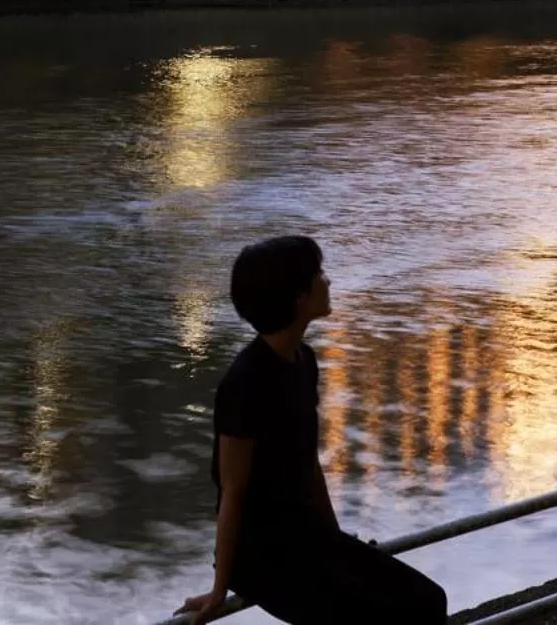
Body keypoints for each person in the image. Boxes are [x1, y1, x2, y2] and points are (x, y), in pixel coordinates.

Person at [180, 235, 447, 625]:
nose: (328, 281)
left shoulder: (303, 360)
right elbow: (232, 490)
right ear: (298, 297)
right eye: (319, 274)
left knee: (428, 600)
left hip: (306, 536)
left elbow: (307, 463)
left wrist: (337, 541)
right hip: (261, 556)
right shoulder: (244, 383)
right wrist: (221, 587)